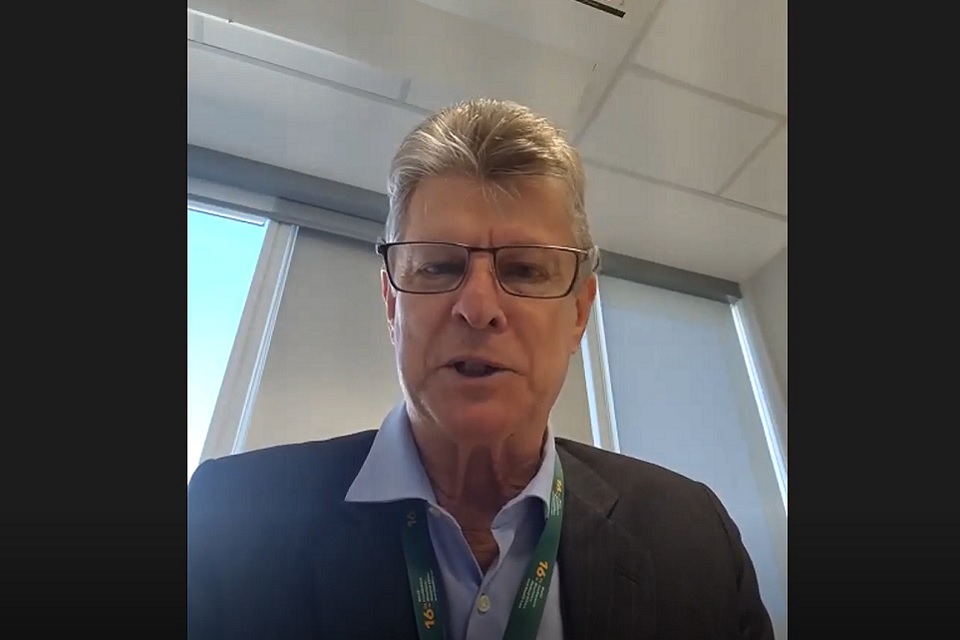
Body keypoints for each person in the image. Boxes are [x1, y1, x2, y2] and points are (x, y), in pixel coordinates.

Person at [187, 98, 776, 640]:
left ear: (578, 313)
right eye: (438, 267)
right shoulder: (227, 518)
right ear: (392, 304)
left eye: (525, 270)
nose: (478, 307)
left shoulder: (695, 540)